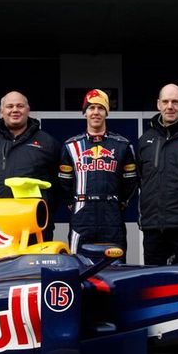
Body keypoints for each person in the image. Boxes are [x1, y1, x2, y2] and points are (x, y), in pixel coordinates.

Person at [0, 90, 61, 239]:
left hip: (34, 226)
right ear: (1, 111)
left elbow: (58, 185)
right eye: (9, 106)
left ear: (28, 110)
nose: (15, 110)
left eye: (20, 106)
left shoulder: (47, 143)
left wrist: (46, 207)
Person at [59, 89, 138, 257]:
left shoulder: (122, 145)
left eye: (100, 108)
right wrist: (72, 202)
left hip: (111, 213)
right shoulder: (71, 146)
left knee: (116, 264)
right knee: (78, 263)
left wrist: (120, 203)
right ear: (84, 113)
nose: (96, 112)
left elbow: (131, 182)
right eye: (91, 107)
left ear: (106, 112)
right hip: (82, 213)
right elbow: (64, 182)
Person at [137, 84, 178, 265]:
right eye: (165, 101)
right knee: (152, 282)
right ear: (158, 104)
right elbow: (140, 178)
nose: (170, 106)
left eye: (175, 101)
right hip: (153, 226)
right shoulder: (145, 140)